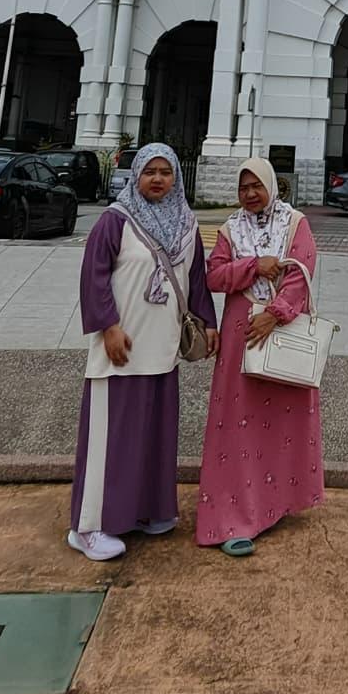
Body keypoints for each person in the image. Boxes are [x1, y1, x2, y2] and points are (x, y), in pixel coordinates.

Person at [71, 141, 214, 562]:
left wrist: (209, 323)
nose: (157, 179)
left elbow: (197, 280)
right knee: (111, 437)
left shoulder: (186, 225)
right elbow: (94, 277)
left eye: (165, 172)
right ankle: (88, 526)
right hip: (122, 346)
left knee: (152, 436)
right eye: (149, 171)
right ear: (136, 176)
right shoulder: (116, 220)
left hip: (162, 349)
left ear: (176, 178)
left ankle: (146, 510)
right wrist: (108, 326)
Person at [198, 157, 325, 556]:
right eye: (243, 187)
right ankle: (232, 517)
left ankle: (277, 501)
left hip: (279, 331)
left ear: (272, 186)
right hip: (242, 337)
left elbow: (301, 271)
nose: (250, 193)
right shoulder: (230, 229)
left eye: (257, 185)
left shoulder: (294, 223)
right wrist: (254, 266)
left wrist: (275, 314)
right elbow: (214, 276)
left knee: (279, 421)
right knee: (237, 425)